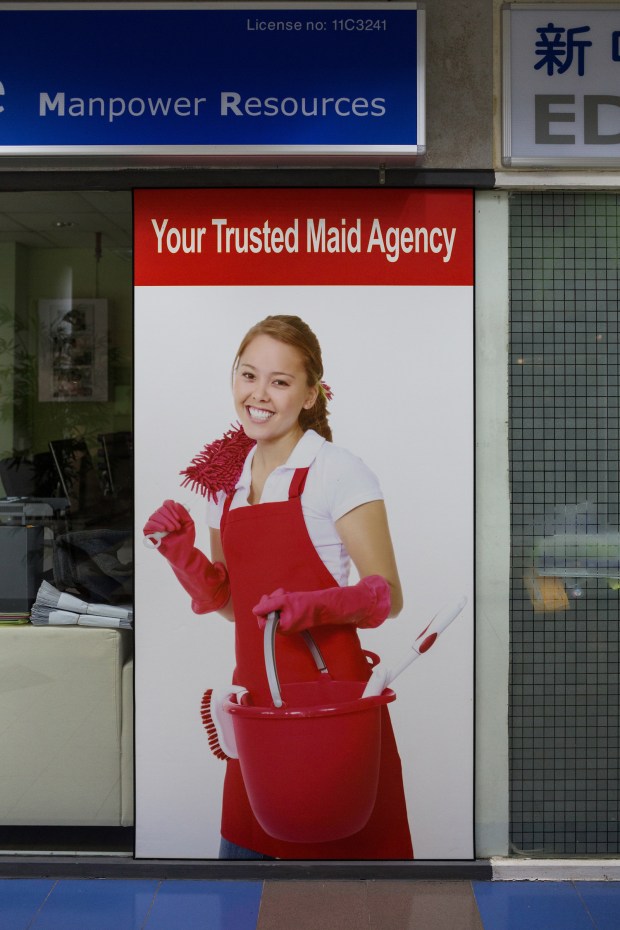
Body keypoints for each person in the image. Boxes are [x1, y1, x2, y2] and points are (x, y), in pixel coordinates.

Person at [143, 314, 413, 860]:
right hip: (258, 709)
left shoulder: (338, 472)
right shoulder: (229, 484)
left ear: (311, 393)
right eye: (248, 375)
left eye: (280, 381)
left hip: (333, 711)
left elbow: (387, 595)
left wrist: (311, 607)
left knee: (346, 899)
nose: (258, 395)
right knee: (244, 879)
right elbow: (233, 606)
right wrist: (183, 557)